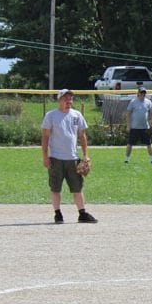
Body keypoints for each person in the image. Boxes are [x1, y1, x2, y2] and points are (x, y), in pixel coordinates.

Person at [41, 89, 97, 224]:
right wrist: (45, 156)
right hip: (56, 158)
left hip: (73, 158)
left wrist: (85, 155)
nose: (69, 101)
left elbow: (82, 136)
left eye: (70, 99)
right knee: (55, 188)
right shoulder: (51, 116)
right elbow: (45, 137)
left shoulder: (77, 115)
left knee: (78, 187)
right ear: (59, 100)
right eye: (66, 99)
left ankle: (82, 214)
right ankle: (58, 214)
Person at [125, 86, 152, 164]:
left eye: (144, 93)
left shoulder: (148, 102)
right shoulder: (133, 102)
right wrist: (128, 125)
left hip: (145, 127)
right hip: (134, 127)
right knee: (130, 144)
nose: (143, 94)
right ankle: (126, 160)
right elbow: (128, 114)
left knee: (149, 143)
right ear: (138, 93)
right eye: (142, 93)